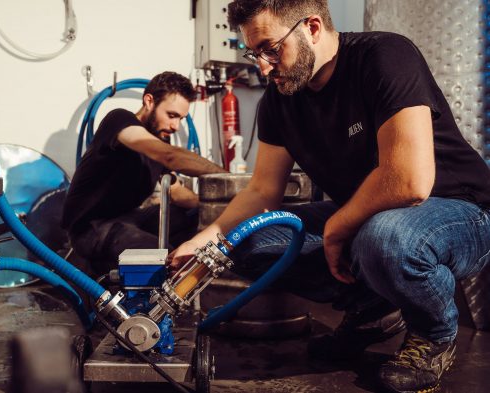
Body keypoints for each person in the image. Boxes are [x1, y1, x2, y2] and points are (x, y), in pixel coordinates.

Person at [169, 1, 490, 392]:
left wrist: (338, 226)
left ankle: (434, 335)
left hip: (460, 211)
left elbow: (410, 181)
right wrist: (202, 244)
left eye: (271, 48)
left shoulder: (384, 56)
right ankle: (372, 309)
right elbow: (262, 191)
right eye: (254, 53)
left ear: (313, 27)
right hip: (371, 215)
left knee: (385, 239)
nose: (263, 66)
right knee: (245, 242)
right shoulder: (280, 101)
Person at [63, 71, 226, 277]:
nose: (176, 126)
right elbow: (169, 156)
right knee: (164, 257)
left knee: (194, 222)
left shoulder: (160, 140)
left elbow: (176, 192)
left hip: (128, 219)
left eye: (181, 119)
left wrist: (220, 208)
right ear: (149, 101)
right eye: (172, 115)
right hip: (92, 227)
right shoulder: (120, 120)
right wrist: (228, 178)